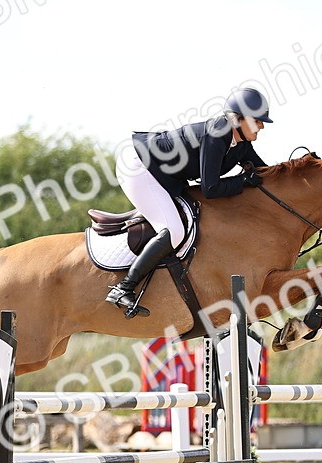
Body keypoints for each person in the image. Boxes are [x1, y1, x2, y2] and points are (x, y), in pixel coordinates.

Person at [105, 87, 272, 315]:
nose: (262, 126)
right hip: (139, 166)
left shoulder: (240, 143)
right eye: (258, 121)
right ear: (238, 119)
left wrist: (302, 174)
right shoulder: (218, 133)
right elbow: (210, 188)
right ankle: (123, 288)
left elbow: (265, 175)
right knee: (174, 230)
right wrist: (243, 181)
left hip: (161, 172)